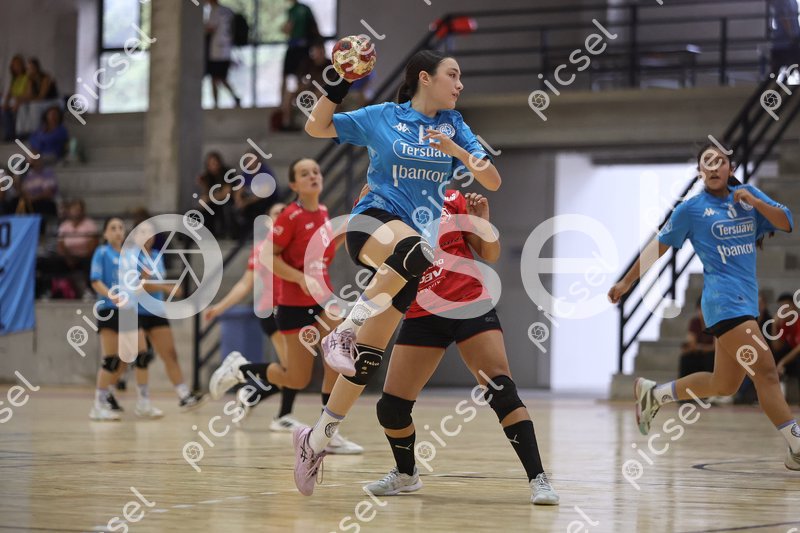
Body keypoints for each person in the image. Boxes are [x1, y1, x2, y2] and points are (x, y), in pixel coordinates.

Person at [294, 49, 502, 495]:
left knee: (366, 361)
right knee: (415, 250)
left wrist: (456, 152)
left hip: (410, 257)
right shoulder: (383, 116)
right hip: (374, 222)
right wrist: (340, 81)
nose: (460, 84)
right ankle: (343, 331)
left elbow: (492, 180)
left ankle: (314, 442)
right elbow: (317, 126)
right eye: (453, 74)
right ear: (425, 78)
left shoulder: (454, 125)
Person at [608, 143, 800, 471]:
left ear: (730, 168)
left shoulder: (748, 197)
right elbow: (658, 247)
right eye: (706, 163)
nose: (712, 167)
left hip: (745, 304)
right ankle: (796, 446)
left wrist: (755, 202)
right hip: (723, 303)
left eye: (719, 161)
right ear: (700, 172)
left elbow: (786, 222)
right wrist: (626, 282)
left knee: (723, 384)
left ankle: (655, 394)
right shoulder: (691, 210)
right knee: (766, 371)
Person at [363, 187, 558, 504]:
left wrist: (482, 222)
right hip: (421, 312)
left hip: (468, 303)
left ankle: (539, 479)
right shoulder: (387, 201)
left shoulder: (452, 198)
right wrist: (368, 213)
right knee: (391, 409)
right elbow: (374, 261)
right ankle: (406, 474)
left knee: (501, 389)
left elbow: (490, 254)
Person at [208, 158, 363, 454]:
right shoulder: (290, 215)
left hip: (323, 300)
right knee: (297, 378)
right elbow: (268, 257)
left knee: (337, 357)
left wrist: (353, 220)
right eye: (305, 173)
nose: (313, 176)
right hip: (293, 305)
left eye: (316, 171)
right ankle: (241, 369)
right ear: (294, 184)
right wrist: (299, 278)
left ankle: (327, 433)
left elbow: (325, 253)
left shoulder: (323, 213)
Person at [205, 202, 304, 430]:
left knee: (294, 369)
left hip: (296, 310)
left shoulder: (297, 244)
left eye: (285, 212)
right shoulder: (262, 249)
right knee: (293, 368)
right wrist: (220, 307)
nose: (282, 215)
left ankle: (252, 396)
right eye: (276, 212)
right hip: (273, 311)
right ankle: (280, 414)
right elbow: (244, 284)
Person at [124, 219, 208, 412]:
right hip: (135, 311)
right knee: (137, 357)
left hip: (156, 311)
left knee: (169, 353)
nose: (148, 237)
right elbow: (136, 286)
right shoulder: (130, 257)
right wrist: (165, 287)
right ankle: (135, 398)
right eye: (143, 232)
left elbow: (153, 282)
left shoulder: (156, 256)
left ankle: (184, 395)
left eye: (151, 233)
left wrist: (166, 289)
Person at [88, 218, 162, 421]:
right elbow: (95, 280)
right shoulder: (102, 253)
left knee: (143, 355)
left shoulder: (129, 256)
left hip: (129, 310)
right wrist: (110, 295)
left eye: (121, 228)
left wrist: (144, 277)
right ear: (105, 233)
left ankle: (143, 403)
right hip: (109, 310)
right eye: (113, 228)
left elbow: (134, 286)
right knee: (111, 360)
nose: (118, 231)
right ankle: (98, 405)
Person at [279, 0, 319, 130]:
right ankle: (286, 108)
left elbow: (288, 28)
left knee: (293, 78)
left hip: (298, 48)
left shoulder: (297, 10)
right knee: (296, 78)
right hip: (300, 47)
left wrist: (283, 28)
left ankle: (286, 106)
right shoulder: (302, 9)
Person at [56, 199, 98, 295]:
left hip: (85, 256)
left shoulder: (90, 224)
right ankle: (58, 290)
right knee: (54, 262)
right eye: (74, 209)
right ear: (69, 210)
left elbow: (93, 244)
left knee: (89, 262)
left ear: (83, 211)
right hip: (68, 257)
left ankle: (89, 289)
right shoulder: (64, 225)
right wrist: (69, 257)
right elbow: (60, 244)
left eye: (78, 209)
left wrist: (82, 256)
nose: (76, 212)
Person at [204, 0, 240, 108]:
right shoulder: (228, 11)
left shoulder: (215, 11)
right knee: (221, 77)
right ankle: (234, 97)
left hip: (216, 50)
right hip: (226, 49)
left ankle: (216, 103)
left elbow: (210, 28)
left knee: (215, 77)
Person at [16, 58, 60, 137]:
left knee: (34, 105)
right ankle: (21, 131)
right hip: (39, 101)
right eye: (27, 68)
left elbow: (42, 96)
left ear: (36, 68)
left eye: (30, 68)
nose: (28, 70)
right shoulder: (30, 80)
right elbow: (29, 95)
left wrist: (29, 99)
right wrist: (20, 100)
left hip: (52, 101)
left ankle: (34, 131)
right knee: (22, 106)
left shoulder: (45, 77)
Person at [196, 152, 236, 238]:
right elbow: (205, 195)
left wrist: (208, 198)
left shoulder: (227, 173)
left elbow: (226, 194)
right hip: (214, 203)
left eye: (214, 163)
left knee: (226, 207)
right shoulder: (208, 176)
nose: (212, 167)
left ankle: (227, 233)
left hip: (228, 202)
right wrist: (203, 185)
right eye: (209, 164)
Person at [678, 299, 715, 380]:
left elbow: (714, 347)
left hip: (711, 354)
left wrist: (698, 347)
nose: (702, 312)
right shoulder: (695, 322)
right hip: (699, 353)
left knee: (711, 357)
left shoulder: (715, 323)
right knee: (686, 357)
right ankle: (683, 383)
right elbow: (691, 343)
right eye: (700, 309)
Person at [774, 293, 800, 404]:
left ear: (794, 307)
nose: (783, 311)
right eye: (781, 308)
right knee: (772, 357)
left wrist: (782, 362)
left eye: (786, 307)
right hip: (792, 356)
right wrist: (774, 326)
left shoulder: (798, 322)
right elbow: (777, 347)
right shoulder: (785, 324)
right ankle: (775, 397)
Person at [1, 55, 28, 141]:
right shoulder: (14, 78)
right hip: (13, 100)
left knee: (13, 109)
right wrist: (5, 102)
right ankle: (9, 134)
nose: (16, 67)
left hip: (22, 100)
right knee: (4, 109)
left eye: (18, 64)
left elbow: (27, 92)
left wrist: (18, 101)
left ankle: (14, 134)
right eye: (14, 65)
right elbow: (9, 92)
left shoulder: (27, 77)